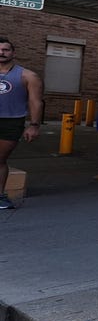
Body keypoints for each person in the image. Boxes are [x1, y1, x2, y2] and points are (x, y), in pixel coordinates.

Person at [0, 36, 43, 210]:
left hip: (11, 122)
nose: (1, 53)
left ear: (13, 52)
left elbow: (35, 102)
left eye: (5, 49)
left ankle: (0, 196)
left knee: (0, 159)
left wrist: (34, 125)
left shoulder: (28, 76)